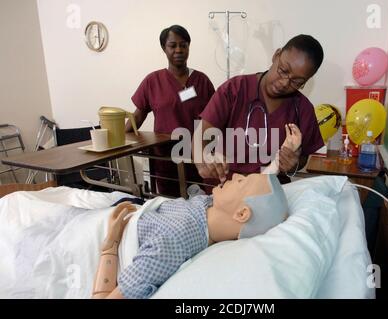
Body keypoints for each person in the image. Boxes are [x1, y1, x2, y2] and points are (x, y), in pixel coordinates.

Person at [91, 173, 288, 299]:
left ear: (242, 214)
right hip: (118, 212)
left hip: (93, 233)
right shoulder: (206, 204)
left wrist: (110, 247)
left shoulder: (174, 240)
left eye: (242, 181)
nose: (235, 174)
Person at [194, 34, 324, 186]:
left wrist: (293, 163)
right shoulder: (235, 89)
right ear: (276, 55)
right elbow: (201, 134)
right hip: (226, 186)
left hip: (271, 190)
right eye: (283, 70)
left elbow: (303, 158)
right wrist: (203, 160)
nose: (283, 83)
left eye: (296, 82)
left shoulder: (302, 108)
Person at [126, 25, 215, 197]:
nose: (179, 50)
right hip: (165, 159)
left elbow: (217, 116)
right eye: (172, 46)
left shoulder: (202, 81)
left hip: (197, 159)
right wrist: (119, 138)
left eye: (183, 45)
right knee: (170, 205)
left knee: (201, 205)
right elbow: (138, 115)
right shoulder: (153, 81)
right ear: (164, 48)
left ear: (189, 47)